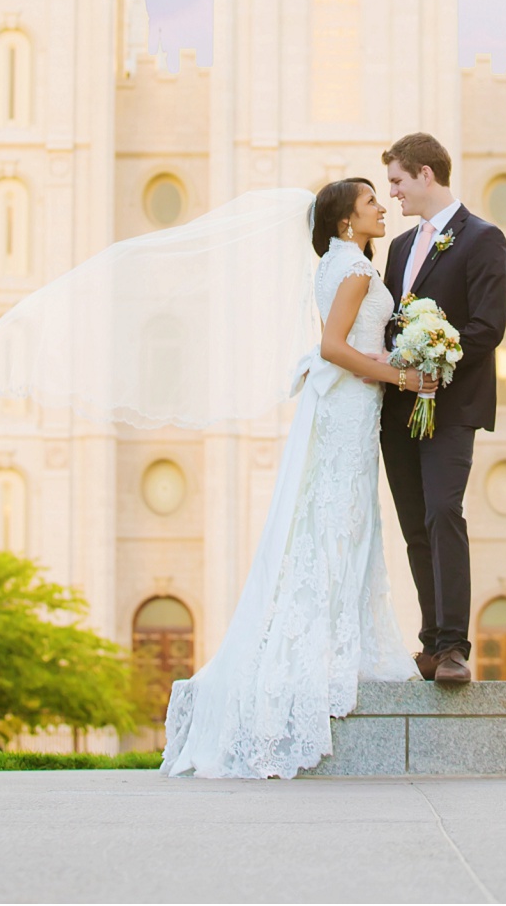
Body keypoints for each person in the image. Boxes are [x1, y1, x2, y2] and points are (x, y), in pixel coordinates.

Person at [161, 177, 426, 779]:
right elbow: (333, 347)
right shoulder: (356, 270)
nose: (381, 209)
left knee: (331, 523)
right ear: (345, 222)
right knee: (339, 521)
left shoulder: (337, 264)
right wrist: (400, 377)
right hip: (350, 407)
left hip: (343, 409)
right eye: (370, 204)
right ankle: (320, 654)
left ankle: (334, 640)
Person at [380, 133, 506, 684]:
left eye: (398, 182)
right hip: (398, 411)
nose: (393, 195)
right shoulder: (399, 247)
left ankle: (456, 646)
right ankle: (431, 643)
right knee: (414, 526)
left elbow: (489, 326)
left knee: (443, 513)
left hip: (453, 406)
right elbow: (390, 322)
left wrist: (438, 358)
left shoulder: (483, 239)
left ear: (426, 175)